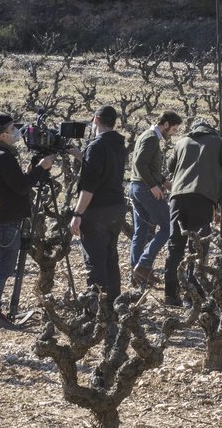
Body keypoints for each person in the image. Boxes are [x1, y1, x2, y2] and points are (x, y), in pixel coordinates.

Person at [0, 113, 54, 329]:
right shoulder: (2, 157)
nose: (17, 132)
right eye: (12, 129)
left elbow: (15, 182)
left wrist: (34, 169)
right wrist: (42, 168)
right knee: (2, 268)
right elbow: (21, 187)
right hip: (6, 220)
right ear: (3, 136)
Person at [163, 118, 222, 306]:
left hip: (177, 197)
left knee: (175, 245)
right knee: (197, 247)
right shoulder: (218, 142)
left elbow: (169, 168)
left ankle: (170, 294)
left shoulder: (181, 142)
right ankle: (192, 294)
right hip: (202, 198)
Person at [70, 105, 128, 303]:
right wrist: (81, 155)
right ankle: (113, 305)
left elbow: (89, 187)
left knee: (94, 261)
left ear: (95, 120)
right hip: (116, 208)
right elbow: (105, 168)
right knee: (110, 258)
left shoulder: (95, 147)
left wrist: (77, 214)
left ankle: (97, 309)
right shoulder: (119, 144)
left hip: (97, 210)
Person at [129, 111, 182, 287]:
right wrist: (153, 185)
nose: (173, 133)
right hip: (145, 189)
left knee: (141, 230)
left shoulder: (146, 135)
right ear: (165, 124)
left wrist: (165, 183)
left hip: (136, 187)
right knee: (168, 226)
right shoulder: (152, 138)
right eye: (173, 129)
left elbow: (148, 166)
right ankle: (144, 265)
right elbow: (139, 163)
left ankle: (137, 275)